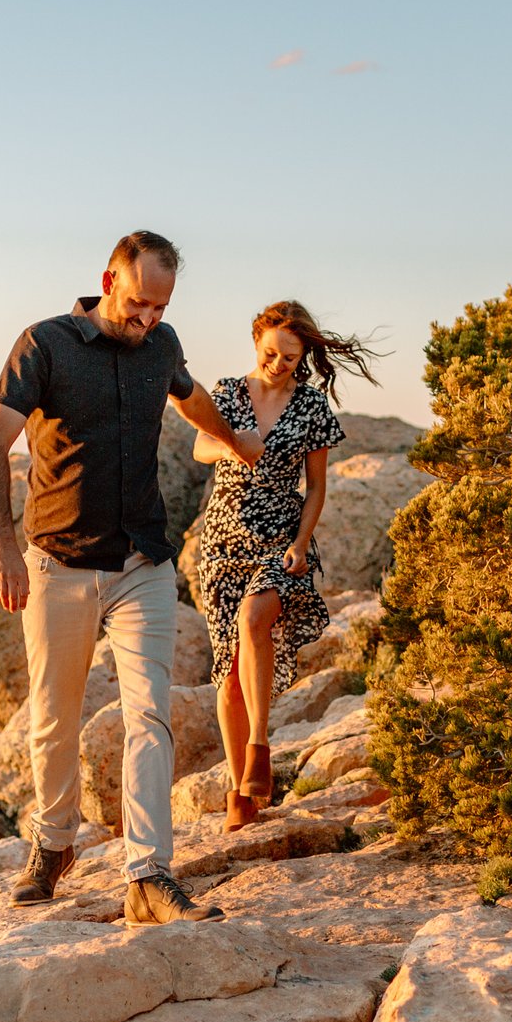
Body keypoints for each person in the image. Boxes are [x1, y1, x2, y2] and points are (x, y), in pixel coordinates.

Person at [0, 230, 264, 925]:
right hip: (58, 562)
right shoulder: (44, 344)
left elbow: (189, 398)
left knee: (150, 717)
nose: (148, 321)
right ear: (109, 280)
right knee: (53, 719)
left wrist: (232, 438)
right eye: (138, 304)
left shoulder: (160, 347)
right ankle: (52, 844)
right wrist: (3, 546)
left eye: (160, 308)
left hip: (143, 563)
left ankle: (148, 874)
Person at [191, 301, 382, 829]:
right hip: (223, 539)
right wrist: (234, 444)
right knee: (228, 674)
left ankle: (259, 746)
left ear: (304, 356)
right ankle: (241, 795)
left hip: (281, 535)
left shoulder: (313, 407)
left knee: (256, 619)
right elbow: (200, 448)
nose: (278, 363)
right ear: (257, 342)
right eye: (271, 352)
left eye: (290, 357)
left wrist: (302, 541)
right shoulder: (228, 392)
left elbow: (317, 486)